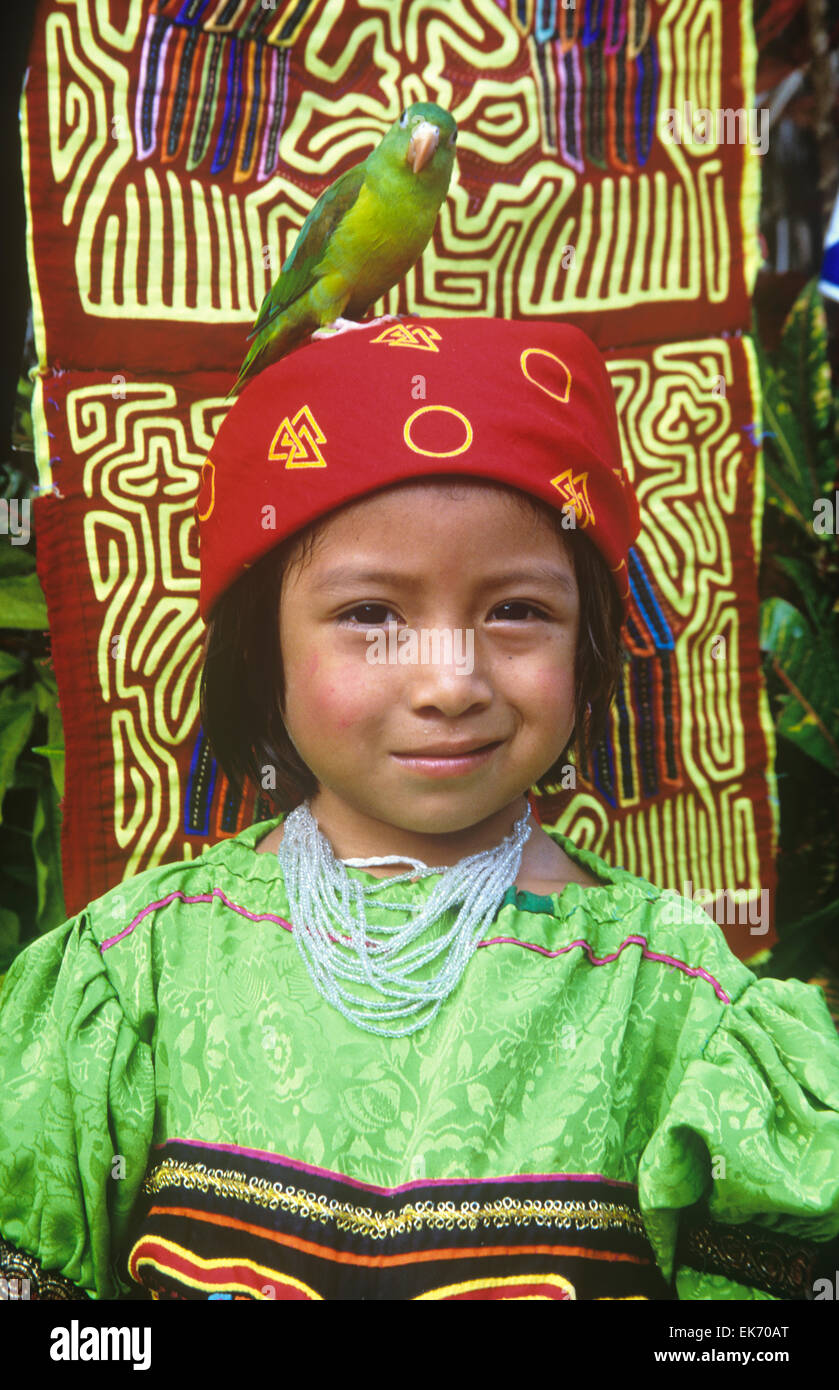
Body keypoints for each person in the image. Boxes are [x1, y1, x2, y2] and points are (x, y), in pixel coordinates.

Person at [1, 316, 837, 1302]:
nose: (450, 680)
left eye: (515, 610)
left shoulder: (667, 995)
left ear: (588, 643)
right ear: (262, 647)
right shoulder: (135, 969)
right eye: (370, 615)